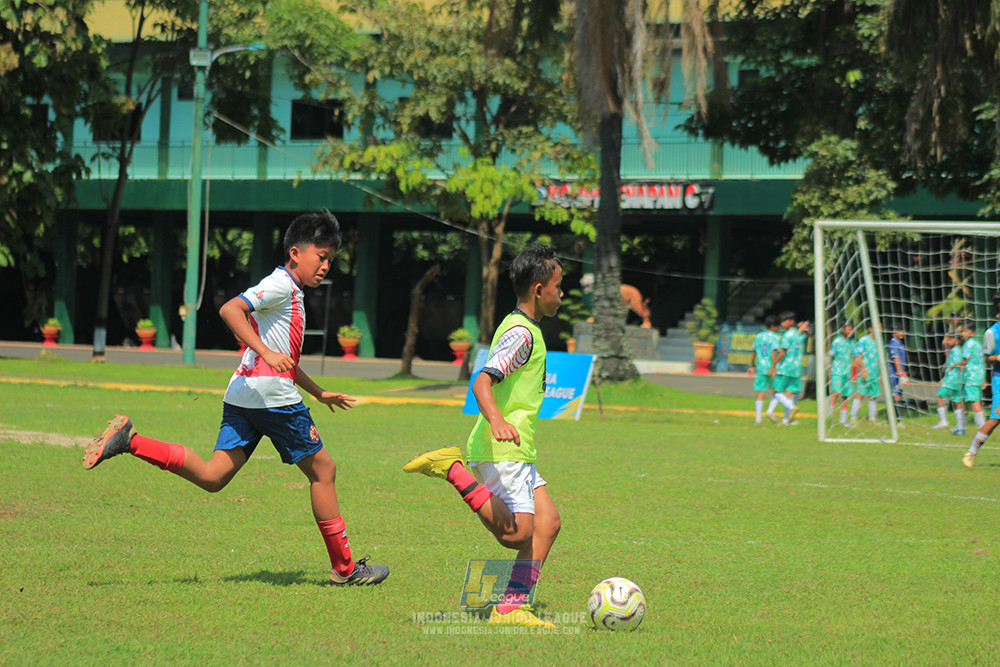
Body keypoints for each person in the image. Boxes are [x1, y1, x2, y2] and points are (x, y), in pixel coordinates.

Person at [81, 211, 390, 586]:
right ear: (296, 253)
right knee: (324, 471)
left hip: (243, 394)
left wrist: (319, 392)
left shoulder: (290, 290)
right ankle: (345, 570)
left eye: (330, 259)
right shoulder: (281, 285)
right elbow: (231, 310)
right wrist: (265, 352)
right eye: (320, 256)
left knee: (213, 476)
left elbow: (285, 358)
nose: (325, 265)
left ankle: (131, 440)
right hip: (272, 398)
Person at [403, 244, 563, 629]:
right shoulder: (522, 333)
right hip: (503, 446)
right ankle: (453, 469)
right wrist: (496, 420)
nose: (563, 294)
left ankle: (511, 607)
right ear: (539, 289)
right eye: (559, 286)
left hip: (517, 447)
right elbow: (482, 380)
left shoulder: (524, 328)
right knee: (519, 533)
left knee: (548, 522)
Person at [768, 312, 810, 425]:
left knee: (776, 391)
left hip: (786, 366)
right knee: (790, 391)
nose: (781, 323)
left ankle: (790, 407)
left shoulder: (787, 335)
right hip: (796, 367)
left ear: (790, 321)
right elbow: (806, 335)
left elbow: (783, 352)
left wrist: (773, 365)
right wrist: (805, 329)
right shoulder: (798, 334)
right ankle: (787, 419)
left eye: (783, 321)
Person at [955, 320, 986, 437]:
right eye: (962, 331)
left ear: (972, 332)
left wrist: (953, 366)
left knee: (974, 401)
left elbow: (964, 360)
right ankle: (961, 426)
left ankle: (982, 428)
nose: (963, 333)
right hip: (978, 375)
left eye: (965, 331)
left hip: (971, 375)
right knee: (968, 400)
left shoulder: (968, 344)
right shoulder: (978, 343)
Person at [748, 315, 781, 424]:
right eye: (777, 326)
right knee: (776, 390)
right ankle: (770, 411)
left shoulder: (759, 336)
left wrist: (751, 366)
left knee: (761, 392)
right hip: (770, 366)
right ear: (773, 326)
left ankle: (758, 418)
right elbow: (773, 353)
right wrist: (774, 367)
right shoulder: (775, 337)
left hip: (760, 367)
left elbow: (754, 352)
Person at [932, 332, 965, 430]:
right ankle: (960, 425)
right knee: (956, 400)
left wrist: (948, 374)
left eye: (951, 339)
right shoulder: (960, 349)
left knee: (940, 396)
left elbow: (955, 364)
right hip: (958, 378)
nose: (949, 341)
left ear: (957, 341)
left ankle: (943, 421)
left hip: (952, 378)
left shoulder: (955, 350)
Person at [828, 322, 856, 427]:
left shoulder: (851, 342)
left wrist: (854, 372)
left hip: (847, 373)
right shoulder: (837, 341)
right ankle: (829, 416)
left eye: (851, 329)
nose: (850, 331)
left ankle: (843, 420)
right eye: (848, 329)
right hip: (837, 371)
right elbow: (831, 356)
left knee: (845, 396)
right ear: (843, 329)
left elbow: (854, 357)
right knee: (836, 392)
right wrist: (830, 370)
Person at [851, 325, 880, 423]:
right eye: (877, 327)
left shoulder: (879, 342)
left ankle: (872, 418)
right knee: (860, 394)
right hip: (865, 372)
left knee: (873, 396)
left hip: (875, 373)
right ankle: (853, 417)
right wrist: (863, 369)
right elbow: (857, 358)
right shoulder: (863, 340)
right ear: (871, 328)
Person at [887, 328, 909, 412]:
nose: (902, 333)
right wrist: (900, 373)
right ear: (893, 333)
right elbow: (896, 359)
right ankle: (894, 418)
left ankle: (897, 418)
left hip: (900, 373)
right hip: (894, 373)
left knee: (899, 394)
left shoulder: (900, 343)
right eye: (899, 331)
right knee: (896, 394)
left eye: (903, 330)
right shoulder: (893, 343)